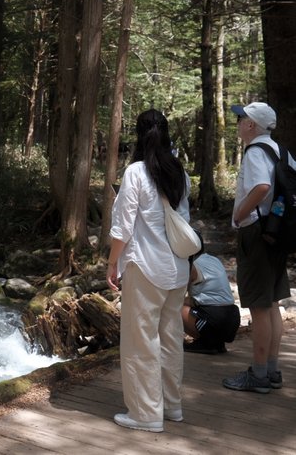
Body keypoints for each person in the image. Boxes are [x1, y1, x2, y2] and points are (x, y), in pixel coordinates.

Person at [107, 109, 191, 432]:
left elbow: (123, 228)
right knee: (170, 338)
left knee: (141, 341)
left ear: (138, 136)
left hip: (145, 267)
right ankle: (172, 406)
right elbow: (185, 221)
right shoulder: (179, 173)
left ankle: (146, 414)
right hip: (177, 269)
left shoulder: (136, 172)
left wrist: (112, 263)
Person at [224, 102, 291, 393]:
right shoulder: (281, 151)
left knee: (259, 307)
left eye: (241, 118)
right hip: (277, 233)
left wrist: (240, 215)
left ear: (251, 124)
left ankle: (259, 375)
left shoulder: (255, 152)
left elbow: (261, 187)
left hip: (256, 233)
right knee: (272, 303)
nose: (238, 123)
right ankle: (272, 371)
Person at [183, 248, 241, 355]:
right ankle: (216, 343)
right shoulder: (213, 259)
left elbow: (179, 295)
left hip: (214, 320)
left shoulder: (192, 266)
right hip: (232, 317)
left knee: (174, 307)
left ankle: (206, 343)